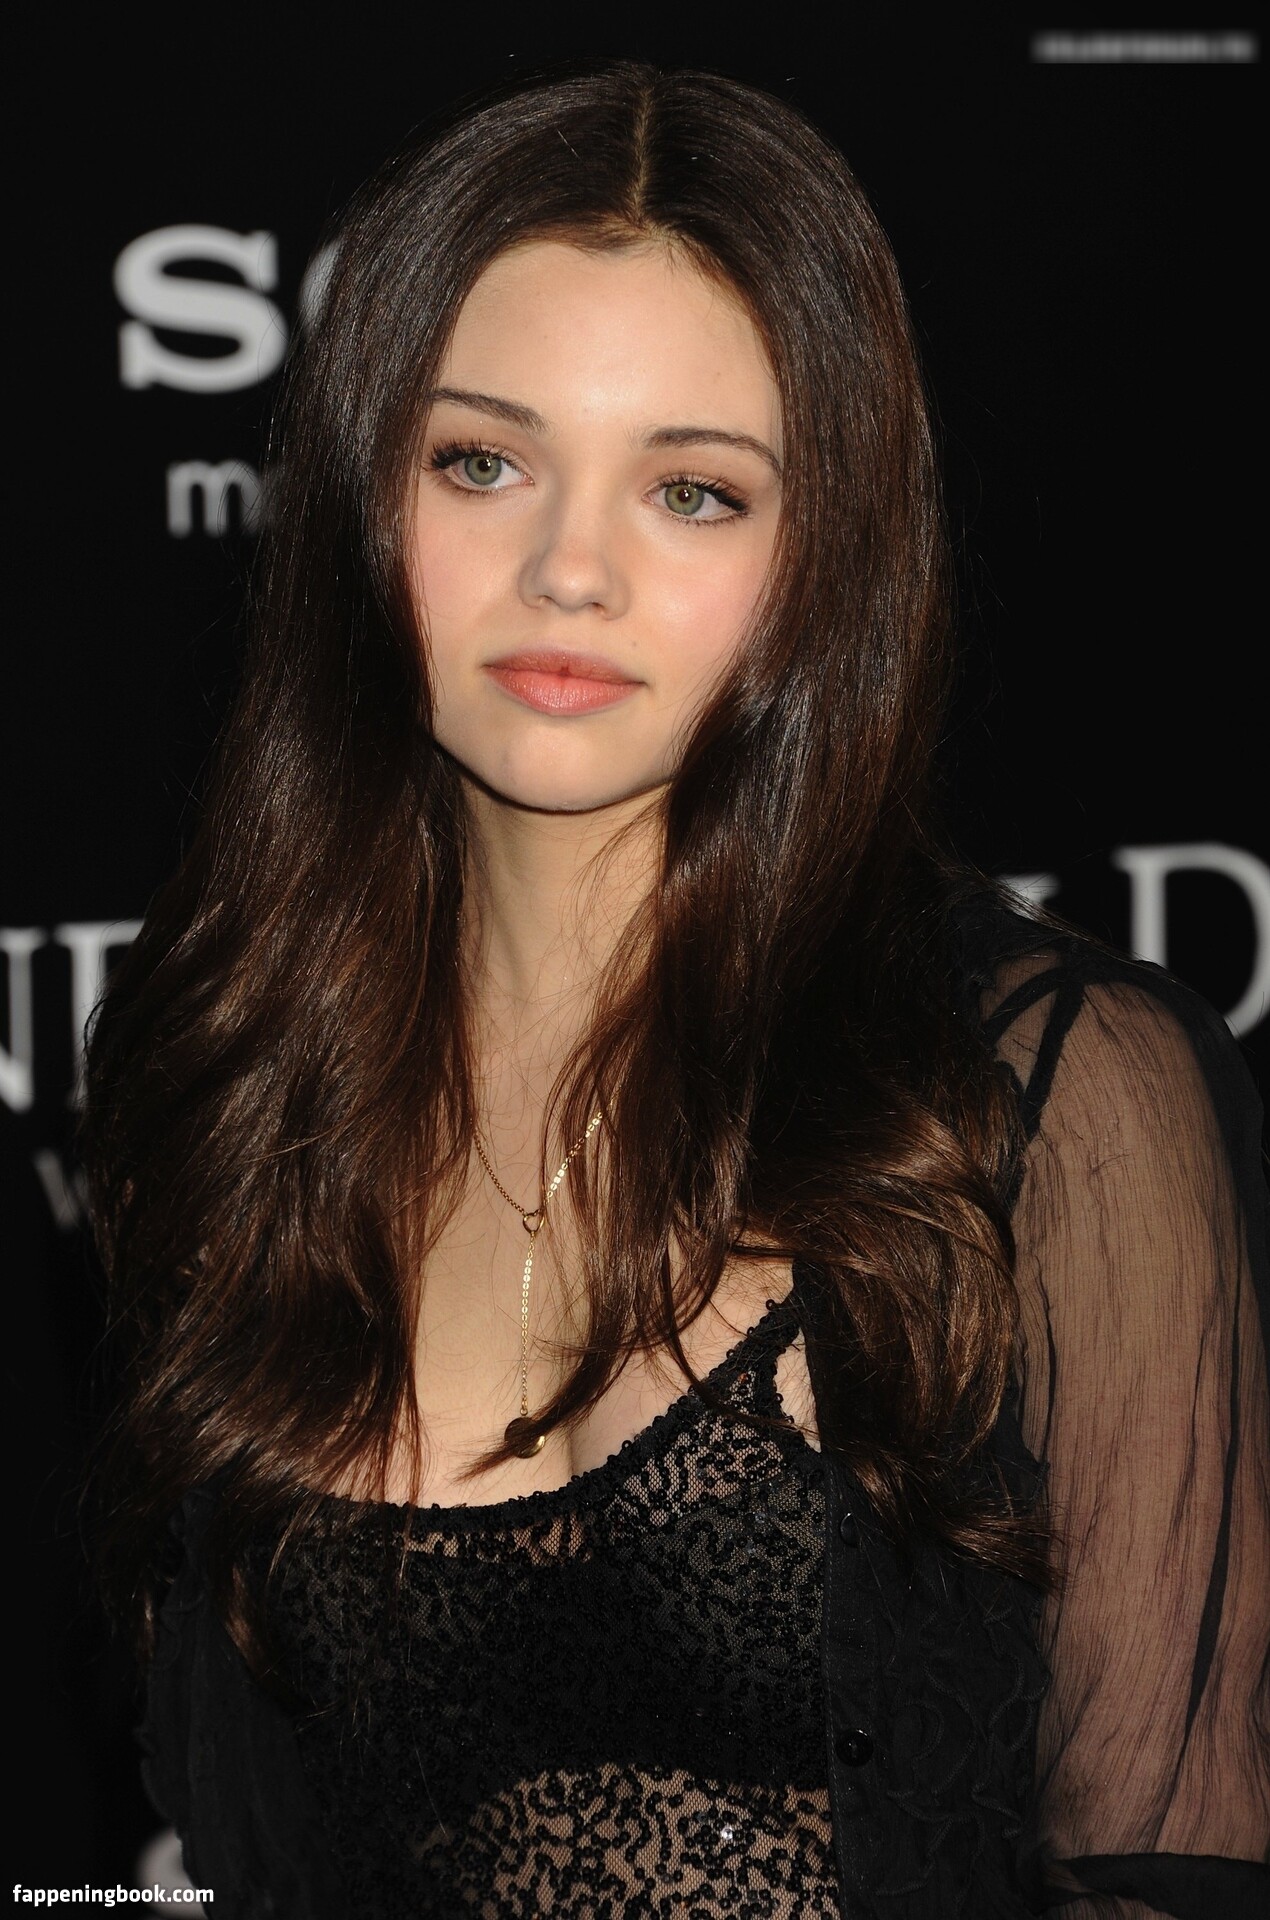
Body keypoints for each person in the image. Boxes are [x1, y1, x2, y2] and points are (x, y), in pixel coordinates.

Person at [83, 60, 1268, 1920]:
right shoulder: (227, 1093)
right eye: (480, 462)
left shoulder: (1047, 1097)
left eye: (694, 492)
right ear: (356, 494)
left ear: (820, 558)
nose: (569, 569)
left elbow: (1159, 1861)